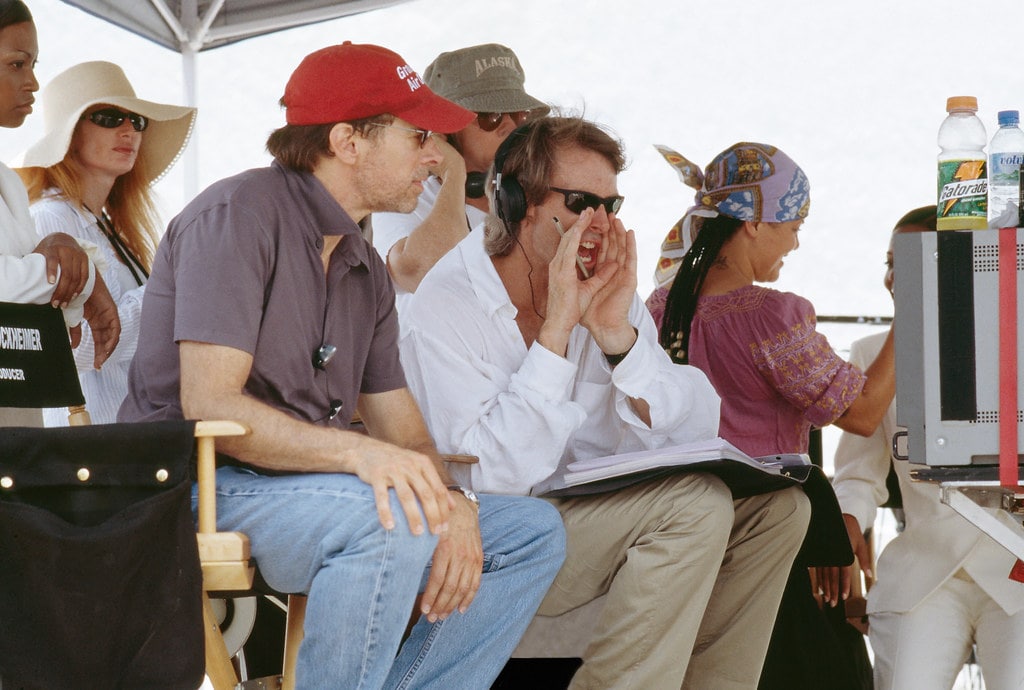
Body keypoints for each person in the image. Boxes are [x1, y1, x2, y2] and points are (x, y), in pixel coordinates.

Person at [117, 42, 565, 688]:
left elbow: (403, 433)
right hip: (192, 484)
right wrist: (361, 458)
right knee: (388, 516)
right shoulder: (238, 215)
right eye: (416, 136)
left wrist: (456, 500)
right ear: (348, 141)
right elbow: (209, 404)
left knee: (529, 532)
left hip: (299, 489)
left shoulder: (364, 265)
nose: (435, 155)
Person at [399, 116, 811, 689]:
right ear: (516, 199)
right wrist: (558, 332)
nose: (599, 222)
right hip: (499, 531)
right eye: (580, 201)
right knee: (695, 505)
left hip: (592, 519)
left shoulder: (602, 285)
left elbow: (690, 427)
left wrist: (619, 337)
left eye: (611, 206)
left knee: (780, 512)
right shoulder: (448, 303)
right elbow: (492, 476)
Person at [650, 141, 896, 690]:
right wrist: (914, 311)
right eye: (793, 224)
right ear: (755, 223)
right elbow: (861, 413)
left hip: (690, 535)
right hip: (778, 534)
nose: (797, 240)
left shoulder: (661, 309)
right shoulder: (771, 318)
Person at [830, 205, 1024, 690]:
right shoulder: (871, 356)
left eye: (912, 262)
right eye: (890, 263)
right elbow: (858, 474)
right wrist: (842, 527)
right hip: (924, 572)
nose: (895, 278)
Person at [15, 60, 195, 425]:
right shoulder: (50, 219)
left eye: (137, 121)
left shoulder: (107, 226)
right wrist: (174, 287)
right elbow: (75, 347)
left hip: (123, 433)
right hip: (86, 443)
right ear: (70, 134)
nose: (129, 130)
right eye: (110, 118)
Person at [0, 0, 119, 428]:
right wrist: (78, 272)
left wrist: (66, 256)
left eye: (32, 65)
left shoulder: (9, 182)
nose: (32, 82)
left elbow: (35, 296)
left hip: (17, 426)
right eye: (17, 64)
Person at [372, 42, 548, 313]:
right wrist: (454, 173)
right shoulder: (404, 198)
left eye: (520, 114)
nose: (512, 127)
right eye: (492, 116)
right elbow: (419, 272)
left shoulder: (545, 194)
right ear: (445, 130)